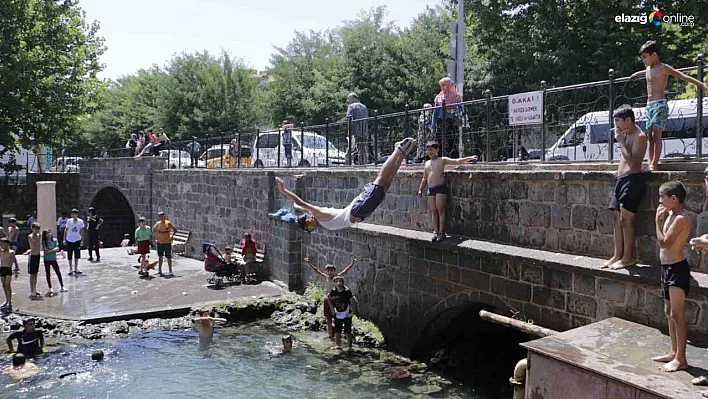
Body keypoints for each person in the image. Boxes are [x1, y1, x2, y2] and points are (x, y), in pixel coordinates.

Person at [280, 138, 417, 232]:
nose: (312, 230)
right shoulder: (317, 217)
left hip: (358, 209)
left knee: (381, 181)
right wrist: (296, 206)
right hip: (360, 211)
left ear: (308, 222)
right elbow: (299, 206)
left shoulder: (319, 215)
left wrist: (284, 190)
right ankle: (401, 153)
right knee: (385, 184)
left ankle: (399, 149)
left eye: (309, 229)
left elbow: (301, 203)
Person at [629, 41, 708, 170]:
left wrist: (700, 84)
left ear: (654, 55)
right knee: (649, 135)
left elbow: (681, 75)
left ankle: (654, 163)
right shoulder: (648, 69)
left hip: (660, 104)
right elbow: (646, 73)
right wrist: (636, 75)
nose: (643, 60)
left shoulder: (663, 68)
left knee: (656, 134)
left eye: (645, 57)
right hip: (649, 105)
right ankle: (650, 161)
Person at [649, 181, 691, 372]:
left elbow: (664, 243)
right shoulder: (671, 215)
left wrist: (657, 222)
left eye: (662, 197)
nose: (659, 201)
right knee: (668, 312)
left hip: (677, 269)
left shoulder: (681, 219)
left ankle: (681, 359)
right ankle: (673, 352)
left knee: (677, 314)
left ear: (673, 199)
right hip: (666, 269)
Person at [602, 105, 648, 270]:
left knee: (626, 220)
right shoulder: (626, 133)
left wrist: (620, 142)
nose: (616, 125)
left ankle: (628, 257)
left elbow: (634, 164)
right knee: (616, 218)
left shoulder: (640, 136)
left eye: (618, 121)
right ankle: (617, 254)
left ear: (628, 119)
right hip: (621, 180)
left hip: (632, 180)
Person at [418, 141, 478, 242]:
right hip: (431, 189)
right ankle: (435, 232)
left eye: (431, 150)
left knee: (441, 210)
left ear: (437, 150)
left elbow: (457, 161)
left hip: (440, 187)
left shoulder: (442, 160)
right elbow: (425, 178)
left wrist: (470, 158)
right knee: (434, 211)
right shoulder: (427, 163)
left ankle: (442, 233)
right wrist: (420, 189)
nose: (429, 152)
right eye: (428, 150)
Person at [305, 254, 356, 339]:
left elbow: (345, 271)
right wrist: (309, 263)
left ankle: (338, 334)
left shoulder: (337, 278)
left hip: (337, 300)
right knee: (328, 319)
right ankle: (330, 335)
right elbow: (317, 271)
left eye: (331, 270)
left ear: (334, 271)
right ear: (326, 271)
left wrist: (351, 263)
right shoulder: (326, 277)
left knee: (338, 318)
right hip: (328, 300)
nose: (329, 272)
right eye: (328, 270)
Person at [431, 77, 463, 158]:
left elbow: (461, 109)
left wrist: (453, 109)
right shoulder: (439, 97)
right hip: (441, 122)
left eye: (444, 85)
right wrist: (433, 125)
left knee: (452, 141)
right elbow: (436, 112)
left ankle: (453, 159)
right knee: (439, 141)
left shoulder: (456, 96)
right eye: (441, 86)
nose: (442, 87)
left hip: (451, 122)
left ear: (448, 85)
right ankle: (440, 159)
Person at [327, 276, 358, 350]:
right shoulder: (333, 291)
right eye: (336, 282)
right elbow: (328, 298)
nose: (338, 283)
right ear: (334, 283)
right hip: (338, 313)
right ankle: (338, 345)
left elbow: (354, 301)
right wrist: (332, 309)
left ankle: (350, 347)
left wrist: (353, 312)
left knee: (348, 332)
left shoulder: (347, 291)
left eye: (340, 281)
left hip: (347, 313)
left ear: (343, 283)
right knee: (337, 331)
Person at [346, 93, 370, 165]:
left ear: (353, 98)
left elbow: (349, 118)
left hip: (355, 131)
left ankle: (347, 164)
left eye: (349, 98)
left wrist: (349, 131)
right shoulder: (364, 107)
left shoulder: (351, 106)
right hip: (364, 131)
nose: (348, 100)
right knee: (362, 150)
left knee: (350, 148)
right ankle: (363, 164)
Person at [152, 211, 177, 277]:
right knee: (160, 256)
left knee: (168, 256)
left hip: (167, 242)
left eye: (162, 216)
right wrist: (157, 234)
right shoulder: (158, 223)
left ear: (164, 216)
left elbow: (175, 229)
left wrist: (172, 236)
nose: (161, 217)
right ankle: (160, 270)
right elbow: (153, 229)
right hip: (160, 242)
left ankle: (170, 271)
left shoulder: (168, 223)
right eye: (160, 216)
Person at [42, 229, 65, 295]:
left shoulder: (54, 240)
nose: (49, 234)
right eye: (47, 233)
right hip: (46, 260)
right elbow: (45, 251)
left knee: (58, 272)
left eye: (49, 233)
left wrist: (50, 251)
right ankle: (50, 287)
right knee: (48, 273)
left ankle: (62, 286)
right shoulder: (44, 242)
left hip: (53, 259)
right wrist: (53, 250)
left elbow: (57, 248)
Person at [63, 208, 85, 276]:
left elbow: (82, 231)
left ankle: (76, 268)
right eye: (72, 214)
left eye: (74, 214)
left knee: (77, 254)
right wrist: (64, 239)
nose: (73, 215)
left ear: (77, 214)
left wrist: (82, 240)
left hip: (77, 239)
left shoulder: (80, 221)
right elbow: (66, 230)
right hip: (70, 239)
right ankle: (70, 268)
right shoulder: (69, 221)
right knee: (69, 254)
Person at [0, 237, 19, 311]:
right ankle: (7, 300)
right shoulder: (1, 252)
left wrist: (16, 268)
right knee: (4, 285)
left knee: (8, 285)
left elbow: (14, 260)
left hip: (8, 269)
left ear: (7, 244)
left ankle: (10, 301)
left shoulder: (11, 252)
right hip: (2, 268)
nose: (1, 245)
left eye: (3, 244)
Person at [26, 222, 41, 299]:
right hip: (32, 256)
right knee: (32, 274)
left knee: (36, 273)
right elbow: (34, 244)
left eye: (38, 229)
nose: (37, 231)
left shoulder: (39, 235)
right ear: (32, 228)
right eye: (35, 229)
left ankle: (35, 289)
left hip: (37, 255)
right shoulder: (30, 236)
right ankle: (32, 291)